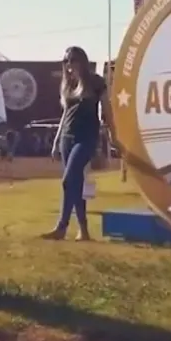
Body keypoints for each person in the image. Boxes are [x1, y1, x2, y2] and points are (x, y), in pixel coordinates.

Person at [44, 46, 110, 241]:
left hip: (86, 137)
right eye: (66, 61)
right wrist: (56, 141)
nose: (69, 65)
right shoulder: (68, 84)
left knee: (68, 180)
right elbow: (65, 114)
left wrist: (112, 135)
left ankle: (61, 226)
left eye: (72, 60)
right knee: (76, 183)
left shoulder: (96, 82)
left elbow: (107, 109)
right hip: (67, 137)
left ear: (82, 60)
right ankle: (84, 230)